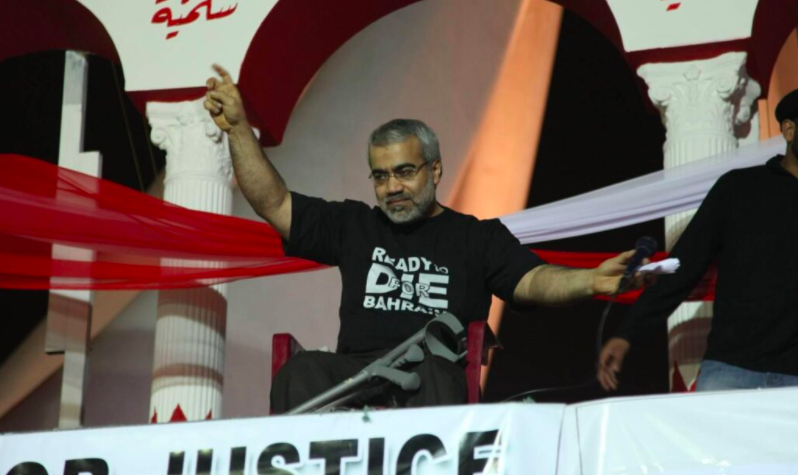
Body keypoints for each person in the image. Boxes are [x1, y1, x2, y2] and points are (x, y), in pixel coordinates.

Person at [204, 65, 644, 413]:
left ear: (434, 170)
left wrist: (589, 280)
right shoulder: (354, 224)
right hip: (357, 374)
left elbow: (532, 280)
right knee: (301, 371)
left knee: (437, 371)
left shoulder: (476, 236)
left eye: (404, 171)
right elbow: (275, 204)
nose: (392, 187)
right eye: (380, 176)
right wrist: (238, 129)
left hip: (430, 375)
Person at [598, 89, 798, 393]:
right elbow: (684, 264)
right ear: (789, 129)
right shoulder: (739, 188)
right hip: (731, 372)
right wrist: (628, 333)